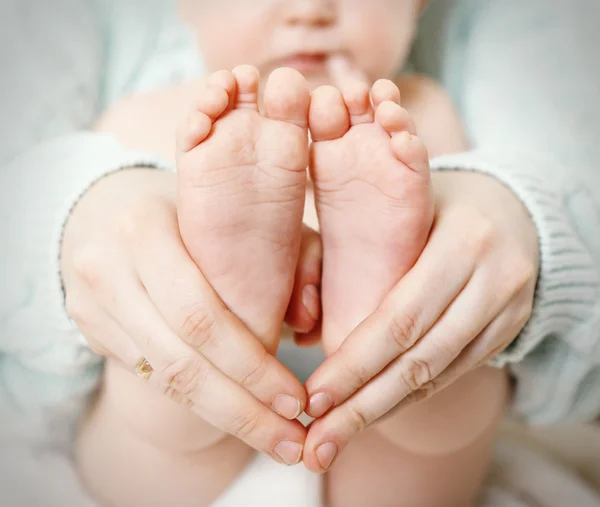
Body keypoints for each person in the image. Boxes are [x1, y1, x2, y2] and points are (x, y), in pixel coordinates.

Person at [1, 0, 599, 506]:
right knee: (153, 396)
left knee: (455, 374)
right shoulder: (142, 120)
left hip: (382, 415)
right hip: (189, 426)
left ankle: (387, 298)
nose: (310, 10)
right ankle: (225, 296)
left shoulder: (429, 113)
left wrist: (432, 282)